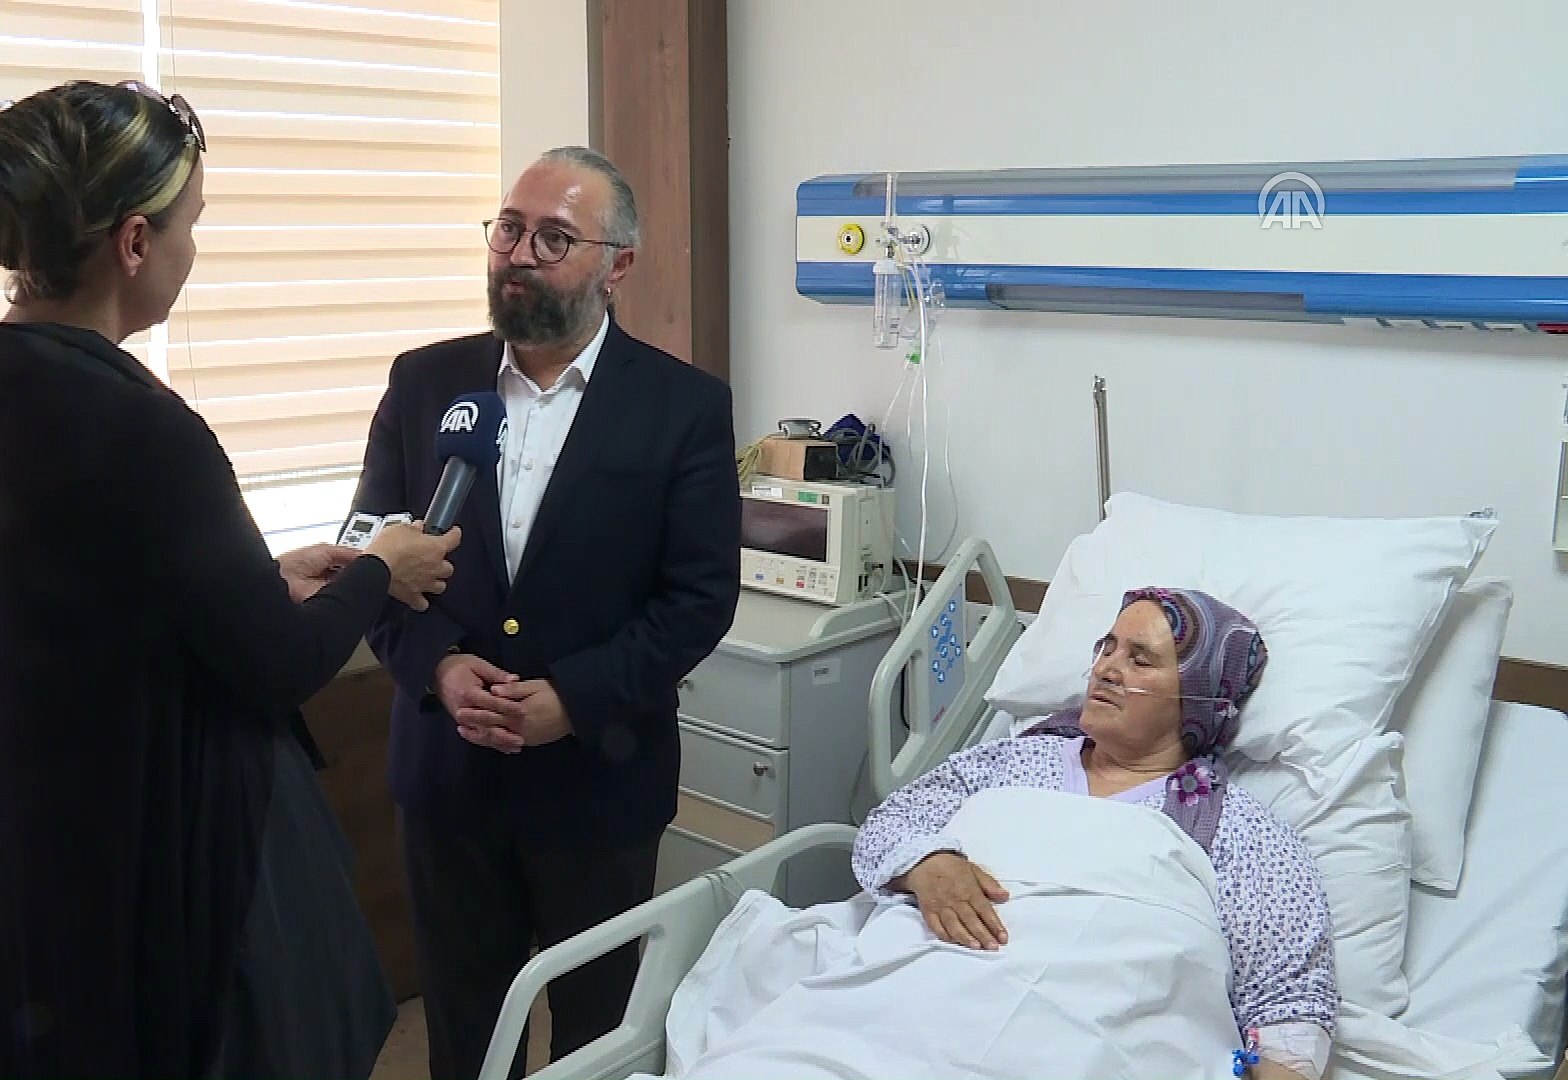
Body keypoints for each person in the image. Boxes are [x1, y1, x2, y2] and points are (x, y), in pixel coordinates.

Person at [0, 80, 459, 1079]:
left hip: (32, 845)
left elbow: (76, 597)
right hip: (165, 856)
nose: (194, 252)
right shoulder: (137, 430)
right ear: (135, 242)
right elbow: (277, 666)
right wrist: (377, 569)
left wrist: (255, 580)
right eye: (192, 225)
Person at [350, 146, 743, 1080]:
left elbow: (698, 598)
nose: (519, 254)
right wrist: (440, 666)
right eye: (509, 229)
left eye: (554, 238)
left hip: (599, 782)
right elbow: (369, 557)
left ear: (618, 265)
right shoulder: (425, 383)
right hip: (448, 777)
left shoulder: (681, 407)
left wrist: (574, 697)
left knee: (593, 1030)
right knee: (465, 1030)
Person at [852, 587, 1336, 1080]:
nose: (1106, 668)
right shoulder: (1009, 761)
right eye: (1107, 648)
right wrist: (926, 863)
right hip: (903, 1012)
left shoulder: (1239, 830)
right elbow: (891, 823)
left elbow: (1289, 1006)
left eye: (1139, 660)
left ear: (1200, 698)